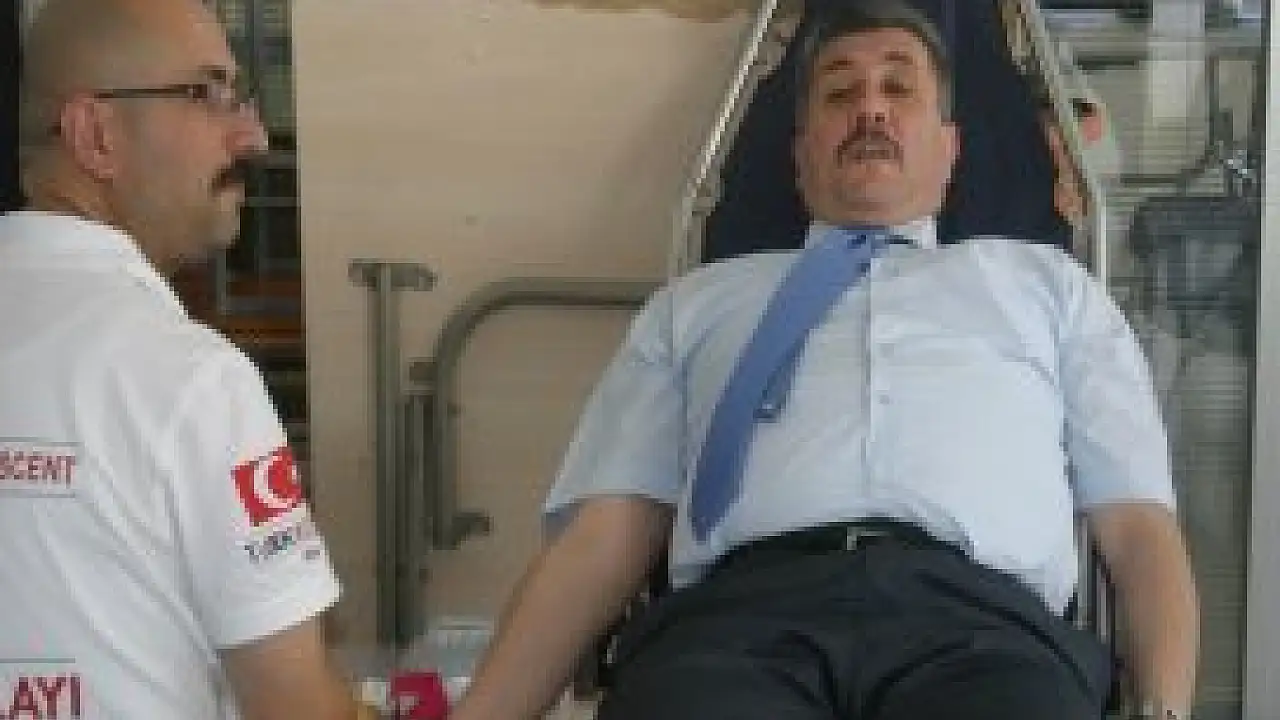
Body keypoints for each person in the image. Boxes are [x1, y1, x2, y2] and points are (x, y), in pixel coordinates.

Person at [452, 2, 1198, 719]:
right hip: (734, 631)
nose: (870, 108)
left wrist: (1164, 710)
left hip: (987, 634)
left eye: (899, 88)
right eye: (841, 92)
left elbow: (1139, 529)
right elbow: (601, 541)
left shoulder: (1050, 290)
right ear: (802, 152)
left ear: (949, 149)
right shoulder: (693, 307)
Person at [0, 0, 361, 718]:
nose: (252, 135)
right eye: (205, 93)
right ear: (95, 134)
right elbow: (294, 707)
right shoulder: (192, 382)